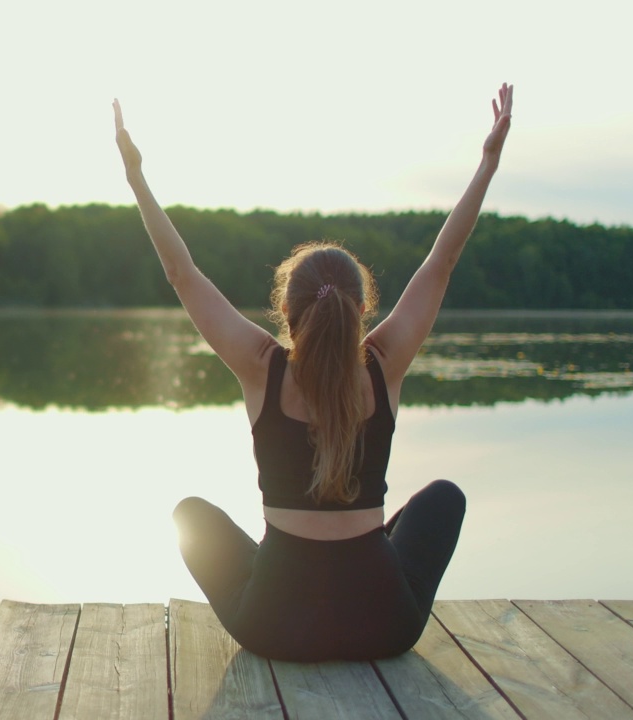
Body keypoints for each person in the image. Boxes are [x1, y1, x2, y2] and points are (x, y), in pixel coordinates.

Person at [114, 84, 513, 661]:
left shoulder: (262, 369)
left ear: (287, 313)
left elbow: (182, 273)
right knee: (443, 498)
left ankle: (281, 569)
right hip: (386, 627)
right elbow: (441, 262)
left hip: (276, 630)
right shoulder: (383, 365)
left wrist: (136, 178)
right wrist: (488, 163)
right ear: (361, 310)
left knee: (191, 517)